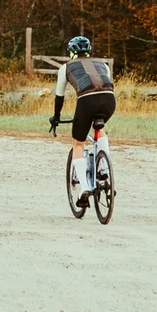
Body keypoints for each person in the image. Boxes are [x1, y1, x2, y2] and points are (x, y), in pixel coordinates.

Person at [47, 35, 118, 210]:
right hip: (109, 99)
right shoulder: (103, 65)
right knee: (99, 129)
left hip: (87, 101)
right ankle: (104, 169)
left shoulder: (66, 67)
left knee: (79, 143)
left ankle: (84, 188)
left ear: (71, 52)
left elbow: (59, 96)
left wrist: (56, 117)